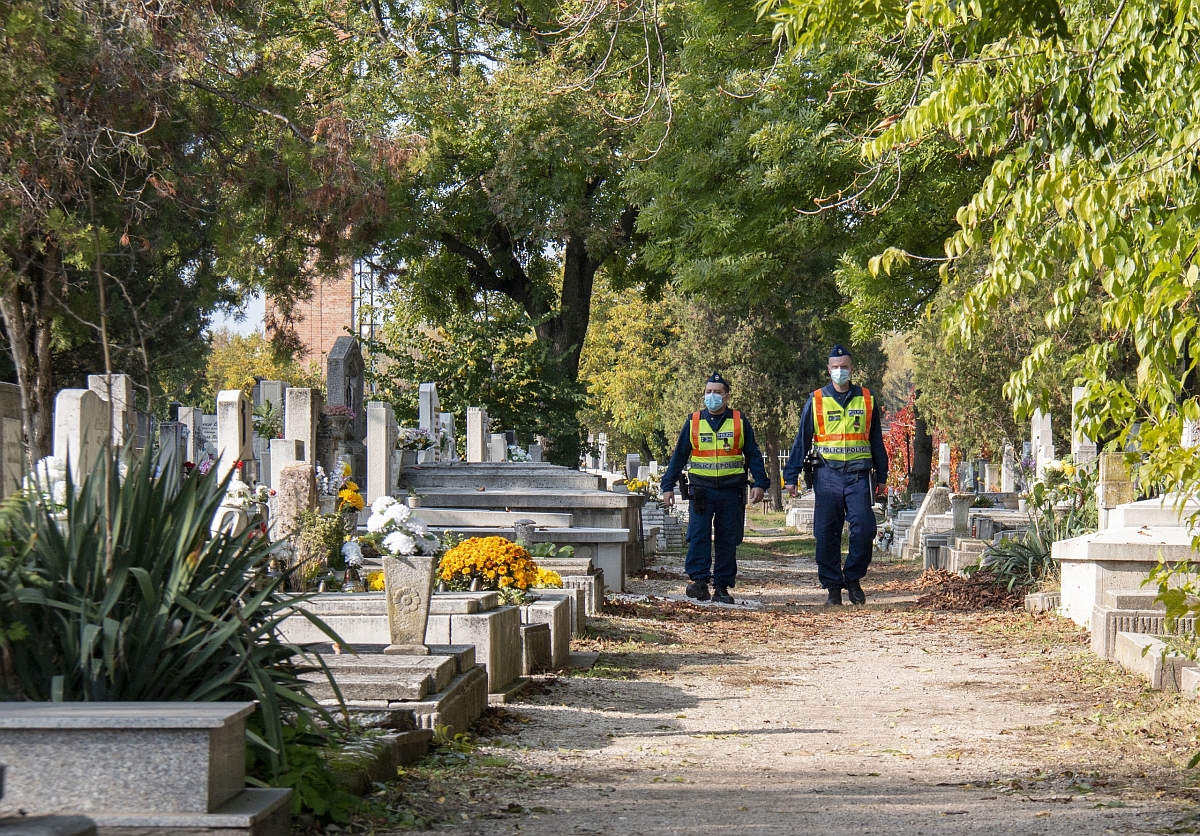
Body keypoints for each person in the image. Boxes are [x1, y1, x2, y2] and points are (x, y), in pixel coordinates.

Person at [783, 345, 888, 606]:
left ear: (852, 369)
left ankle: (852, 577)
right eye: (835, 366)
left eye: (844, 366)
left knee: (865, 528)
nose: (839, 370)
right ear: (828, 369)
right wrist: (790, 477)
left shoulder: (867, 399)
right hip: (827, 474)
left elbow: (876, 440)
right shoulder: (816, 400)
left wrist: (883, 475)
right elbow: (802, 440)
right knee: (826, 533)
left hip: (857, 475)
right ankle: (832, 588)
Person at [660, 372, 769, 604]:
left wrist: (760, 482)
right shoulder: (694, 421)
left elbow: (753, 454)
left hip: (731, 490)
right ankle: (699, 582)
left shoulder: (739, 421)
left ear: (726, 396)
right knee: (698, 535)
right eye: (708, 392)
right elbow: (678, 456)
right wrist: (667, 485)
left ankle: (722, 586)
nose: (712, 396)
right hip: (701, 490)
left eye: (717, 392)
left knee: (727, 538)